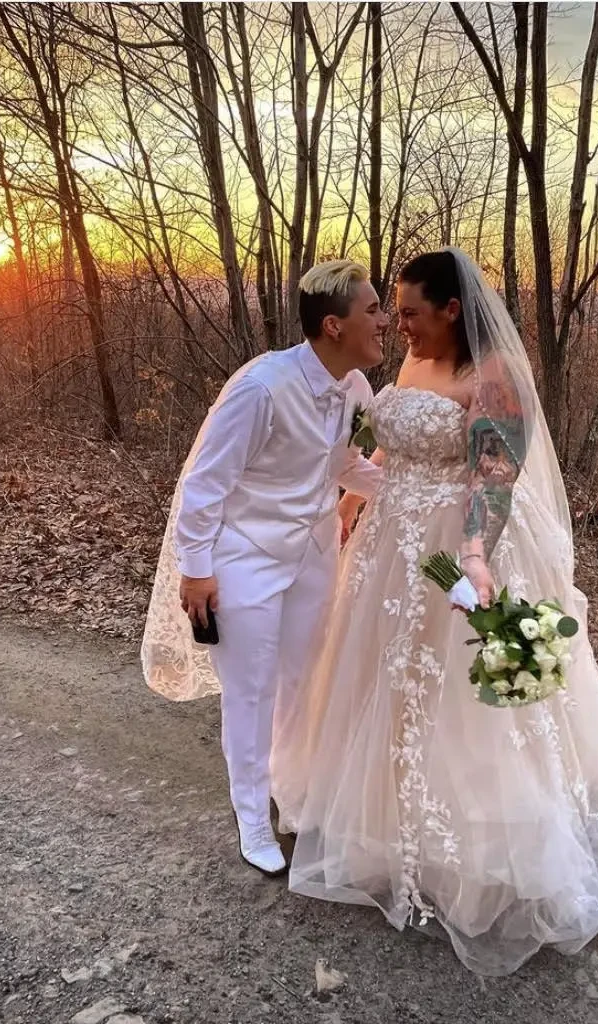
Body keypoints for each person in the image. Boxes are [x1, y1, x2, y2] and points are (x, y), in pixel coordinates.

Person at [272, 248, 598, 975]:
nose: (400, 327)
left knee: (462, 699)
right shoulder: (411, 364)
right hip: (387, 543)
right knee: (375, 683)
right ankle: (374, 817)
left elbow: (496, 476)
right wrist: (349, 504)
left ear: (452, 310)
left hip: (457, 548)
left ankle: (476, 837)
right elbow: (385, 450)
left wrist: (476, 557)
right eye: (392, 314)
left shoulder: (494, 379)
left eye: (412, 314)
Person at [141, 260, 388, 876]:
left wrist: (416, 496)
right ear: (334, 325)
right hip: (244, 558)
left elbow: (345, 466)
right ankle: (252, 818)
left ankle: (286, 787)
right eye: (373, 310)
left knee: (300, 679)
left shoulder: (357, 390)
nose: (384, 321)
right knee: (249, 692)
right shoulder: (261, 388)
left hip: (312, 555)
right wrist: (197, 570)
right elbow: (204, 483)